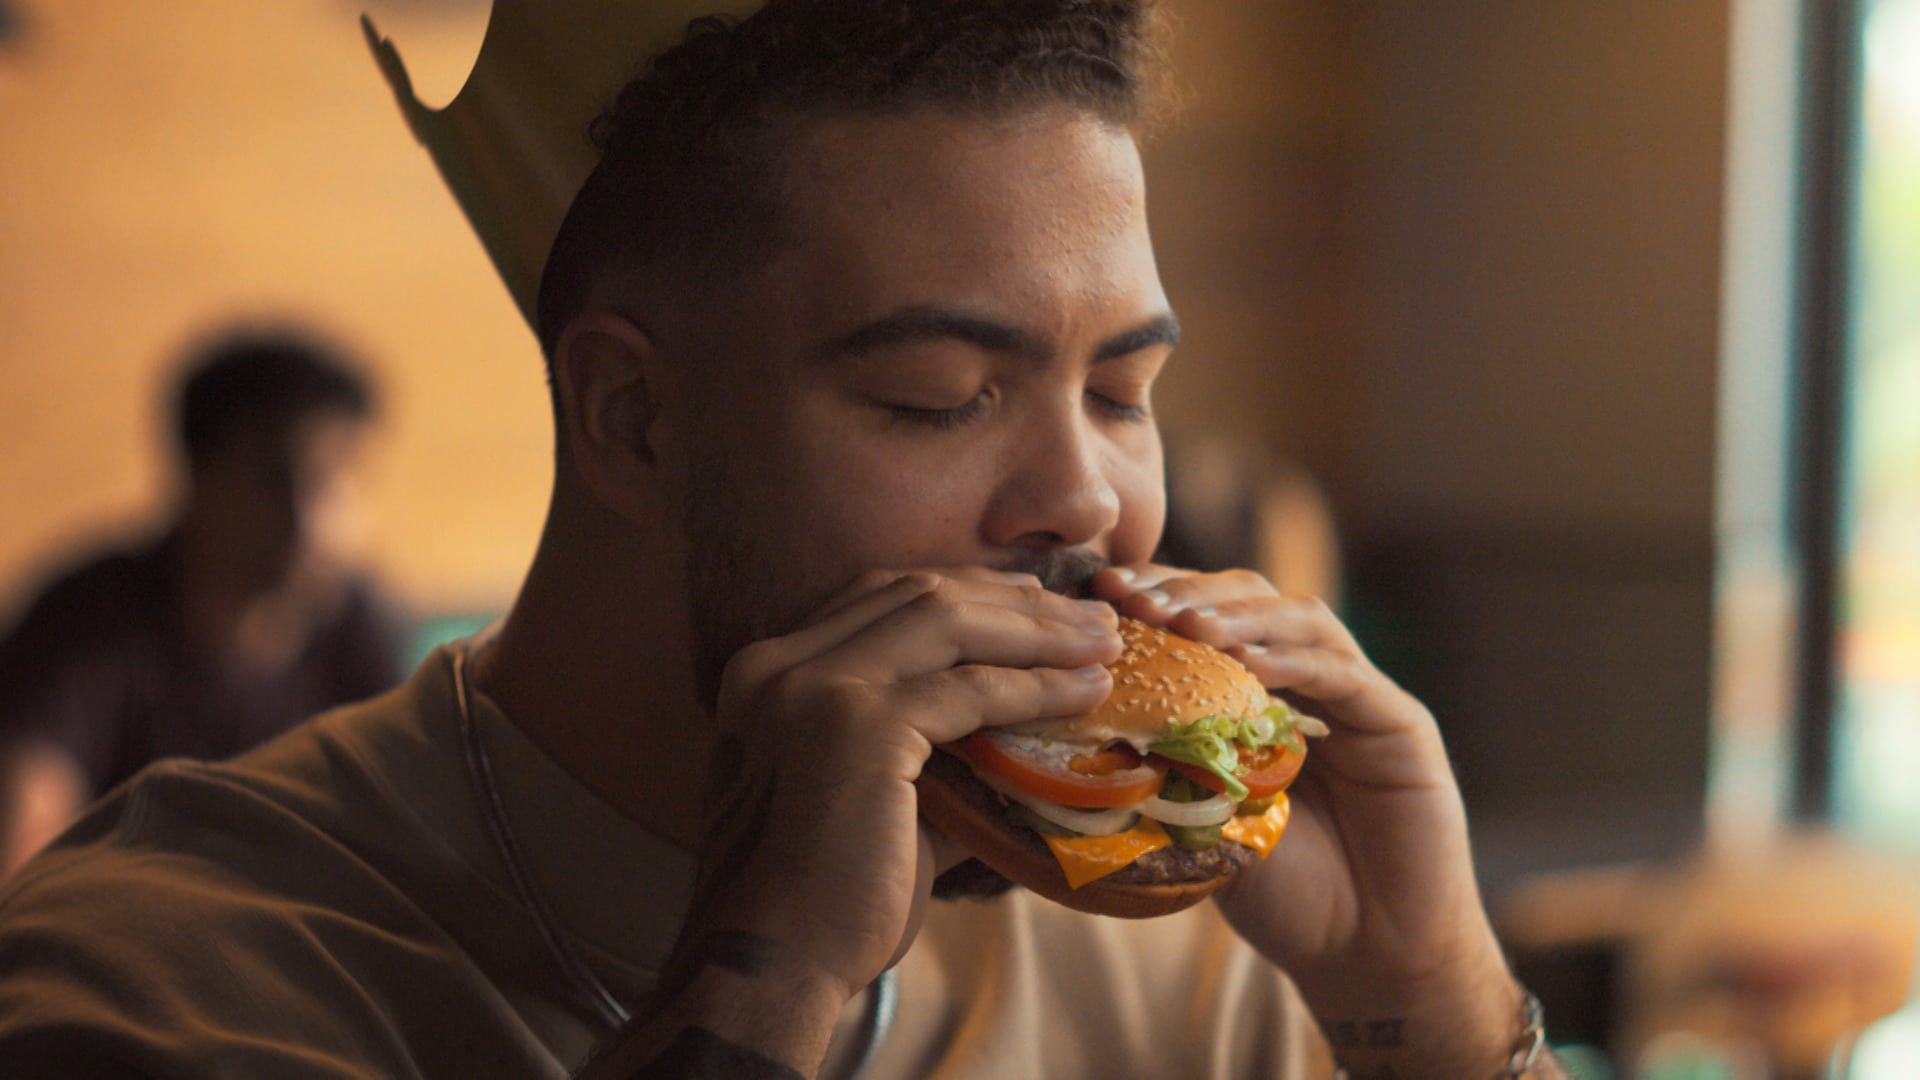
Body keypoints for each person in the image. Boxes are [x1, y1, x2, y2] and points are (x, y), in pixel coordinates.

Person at [0, 3, 1567, 1077]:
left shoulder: (1177, 957)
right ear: (634, 421)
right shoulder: (159, 987)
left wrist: (1426, 1002)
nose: (1087, 501)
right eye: (942, 396)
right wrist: (765, 989)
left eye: (1123, 390)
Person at [0, 328, 406, 879]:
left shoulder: (357, 629)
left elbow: (399, 836)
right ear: (199, 476)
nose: (317, 518)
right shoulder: (87, 622)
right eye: (279, 480)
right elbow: (25, 835)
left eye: (340, 480)